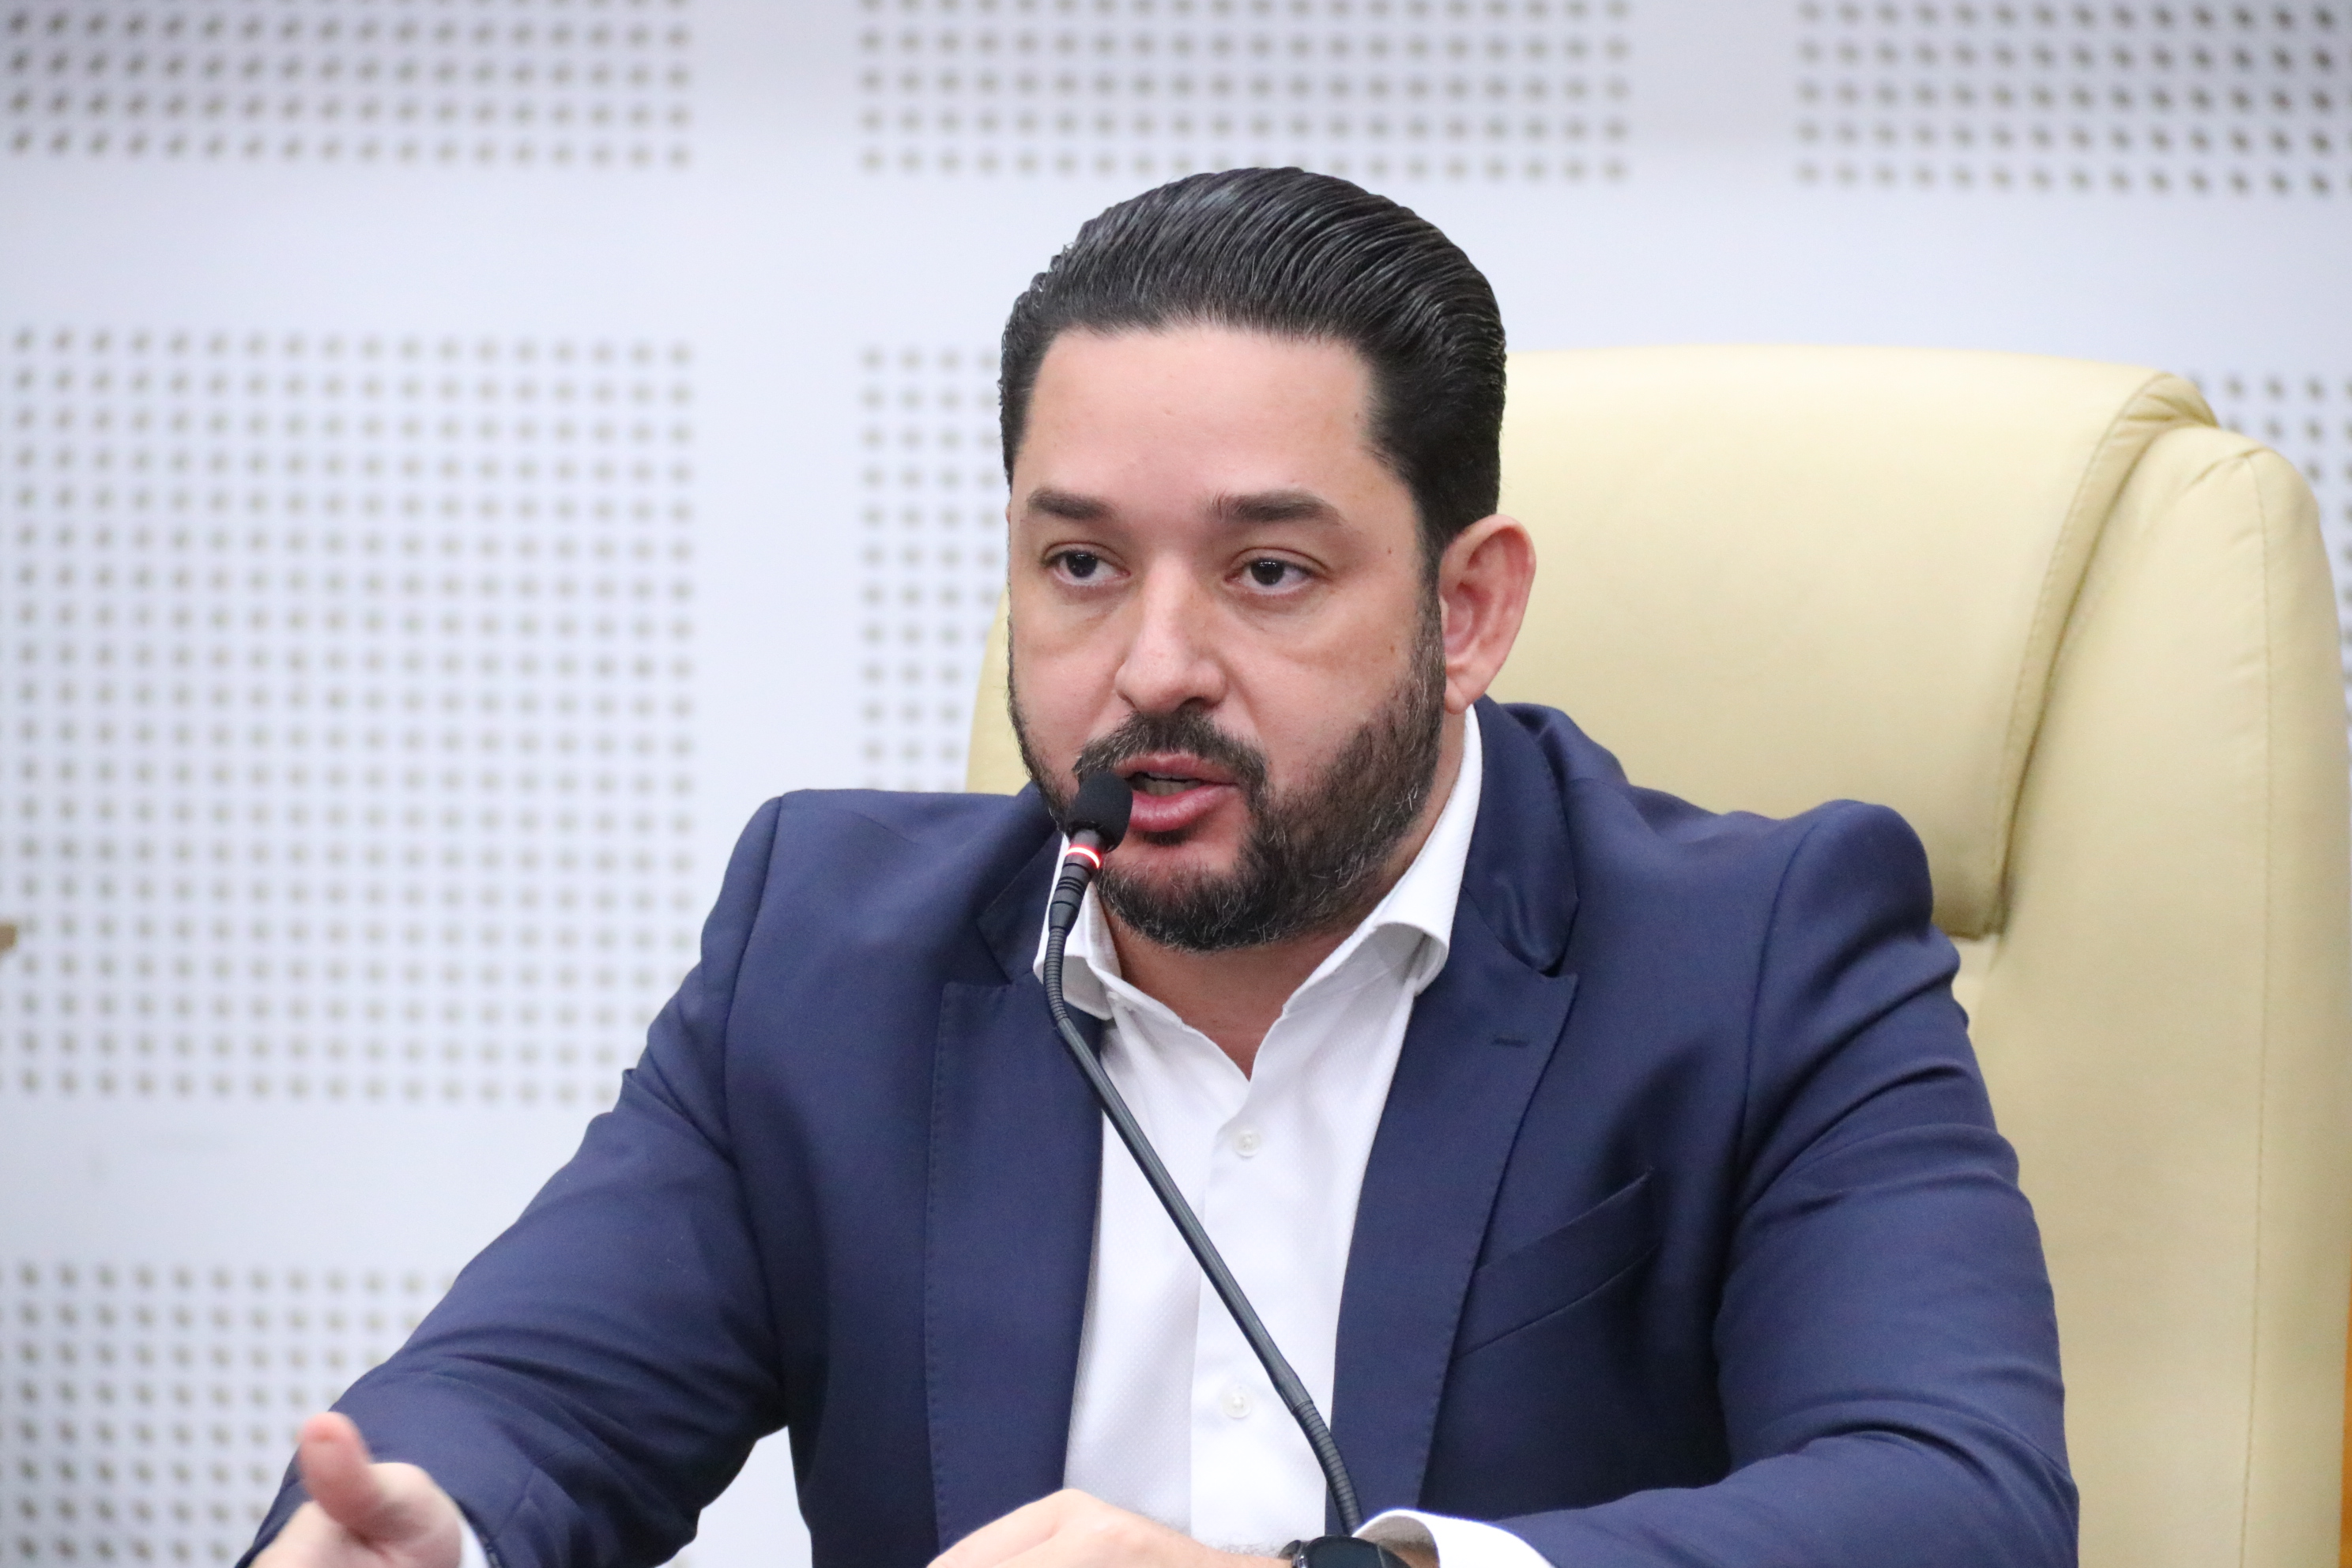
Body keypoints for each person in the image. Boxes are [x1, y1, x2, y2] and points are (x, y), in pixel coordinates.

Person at [243, 168, 2073, 1568]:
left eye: (1269, 571)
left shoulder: (1761, 956)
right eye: (1083, 566)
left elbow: (1954, 1505)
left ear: (1467, 607)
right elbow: (528, 1395)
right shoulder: (832, 949)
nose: (1154, 665)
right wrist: (432, 1526)